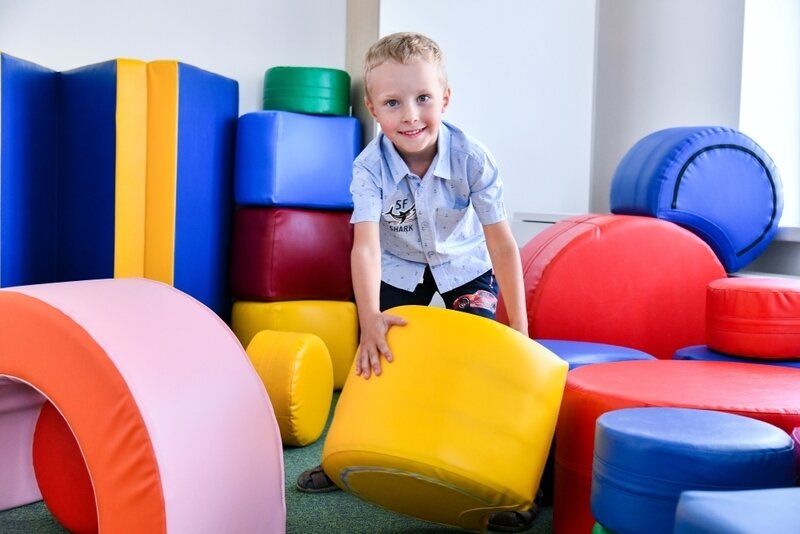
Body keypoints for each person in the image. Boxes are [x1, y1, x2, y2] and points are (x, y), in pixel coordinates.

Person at [296, 32, 535, 532]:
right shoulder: (369, 168)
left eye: (423, 98)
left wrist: (520, 326)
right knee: (379, 353)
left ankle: (502, 478)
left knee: (479, 361)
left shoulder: (472, 158)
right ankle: (342, 455)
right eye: (393, 103)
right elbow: (365, 247)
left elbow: (502, 244)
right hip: (398, 264)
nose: (410, 115)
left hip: (464, 263)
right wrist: (369, 319)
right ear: (372, 109)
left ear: (445, 97)